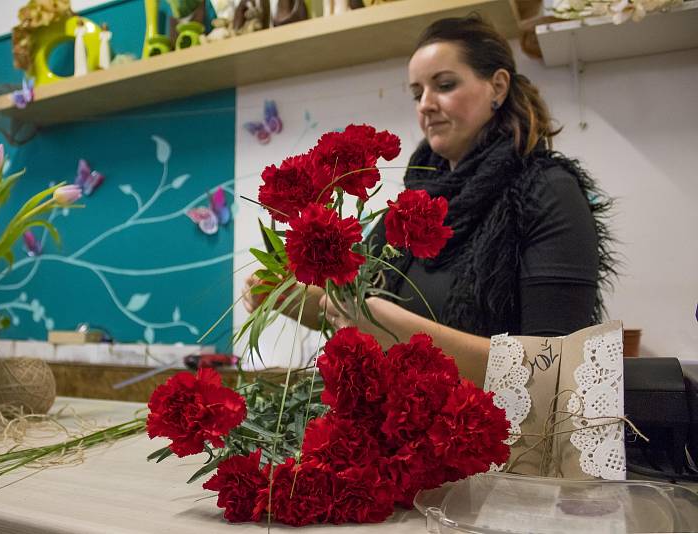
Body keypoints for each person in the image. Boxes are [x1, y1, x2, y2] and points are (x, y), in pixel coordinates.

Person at [242, 15, 614, 387]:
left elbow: (556, 371)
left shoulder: (546, 192)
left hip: (500, 440)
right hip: (406, 435)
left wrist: (399, 330)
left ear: (498, 87)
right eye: (417, 93)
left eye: (445, 85)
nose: (425, 105)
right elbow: (354, 313)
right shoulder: (414, 203)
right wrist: (281, 295)